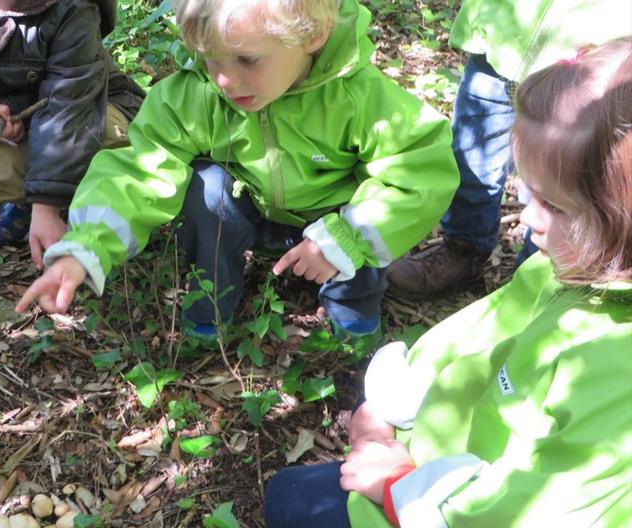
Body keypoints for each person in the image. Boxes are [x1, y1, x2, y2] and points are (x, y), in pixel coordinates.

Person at [264, 37, 632, 527]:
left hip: (445, 508)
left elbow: (540, 509)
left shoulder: (616, 371)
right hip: (436, 463)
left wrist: (402, 490)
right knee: (286, 497)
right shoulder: (565, 267)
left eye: (556, 207)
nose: (527, 221)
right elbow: (474, 332)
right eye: (527, 193)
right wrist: (391, 401)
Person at [15, 0, 459, 353]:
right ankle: (210, 302)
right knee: (206, 185)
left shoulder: (356, 96)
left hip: (332, 215)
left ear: (313, 35)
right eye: (211, 59)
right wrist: (87, 246)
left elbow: (418, 167)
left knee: (365, 236)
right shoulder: (199, 95)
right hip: (254, 207)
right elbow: (141, 168)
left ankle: (352, 307)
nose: (226, 79)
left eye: (248, 59)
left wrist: (343, 238)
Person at [386, 0, 631, 298]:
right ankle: (463, 250)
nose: (526, 215)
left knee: (561, 183)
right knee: (471, 158)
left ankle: (539, 279)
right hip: (502, 35)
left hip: (590, 75)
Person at [0, 0, 145, 265]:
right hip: (28, 120)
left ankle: (96, 210)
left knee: (106, 149)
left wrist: (46, 207)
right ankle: (28, 203)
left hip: (96, 107)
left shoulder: (71, 8)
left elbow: (69, 108)